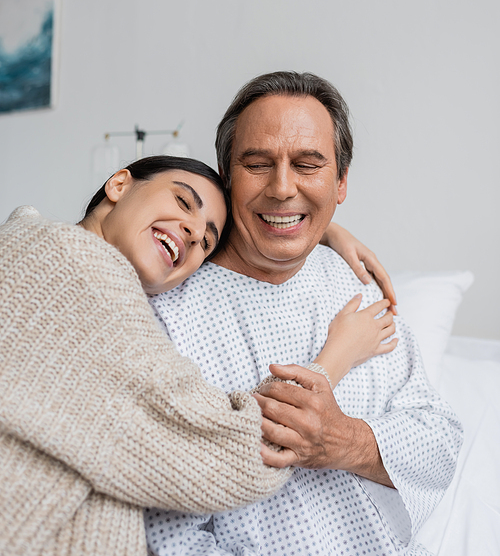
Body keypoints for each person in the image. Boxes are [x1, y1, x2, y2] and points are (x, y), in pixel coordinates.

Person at [0, 154, 395, 556]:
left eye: (206, 242)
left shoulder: (35, 244)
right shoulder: (81, 276)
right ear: (118, 185)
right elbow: (234, 453)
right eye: (183, 202)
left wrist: (311, 231)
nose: (191, 233)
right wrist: (335, 358)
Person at [146, 72, 463, 556]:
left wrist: (344, 441)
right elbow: (169, 532)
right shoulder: (165, 315)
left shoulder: (359, 289)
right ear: (225, 177)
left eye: (308, 165)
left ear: (340, 184)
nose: (281, 187)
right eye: (257, 164)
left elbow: (439, 446)